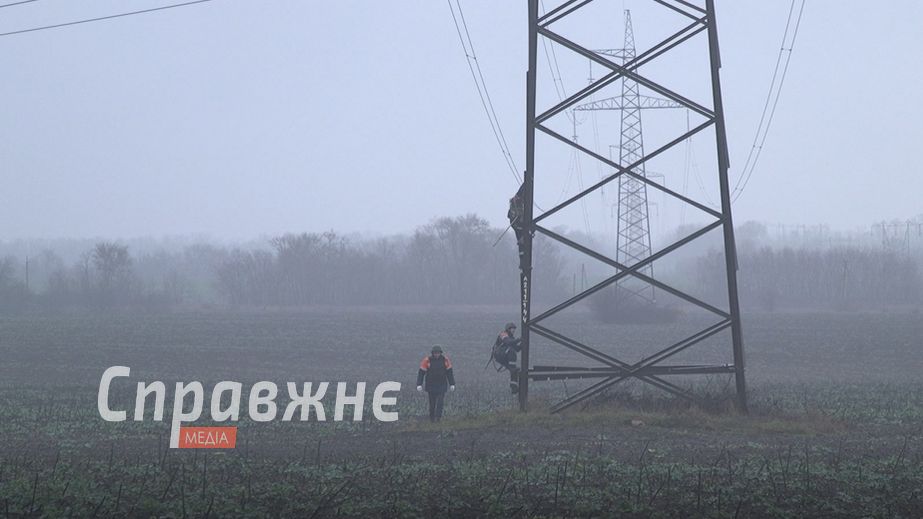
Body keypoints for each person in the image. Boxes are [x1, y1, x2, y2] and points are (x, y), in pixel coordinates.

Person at [416, 345, 455, 422]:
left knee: (440, 402)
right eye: (435, 353)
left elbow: (449, 373)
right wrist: (419, 384)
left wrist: (452, 384)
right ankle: (432, 418)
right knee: (432, 403)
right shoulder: (427, 360)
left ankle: (438, 418)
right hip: (431, 385)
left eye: (438, 353)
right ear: (432, 353)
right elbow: (421, 373)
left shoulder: (445, 360)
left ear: (440, 353)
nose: (436, 354)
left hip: (442, 385)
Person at [493, 322, 522, 394]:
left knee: (514, 371)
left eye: (514, 329)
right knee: (511, 351)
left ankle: (514, 387)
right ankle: (512, 368)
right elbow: (508, 342)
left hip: (505, 356)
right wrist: (519, 339)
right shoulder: (503, 334)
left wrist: (522, 343)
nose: (513, 331)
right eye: (512, 329)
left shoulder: (512, 338)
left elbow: (517, 349)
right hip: (499, 354)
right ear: (508, 329)